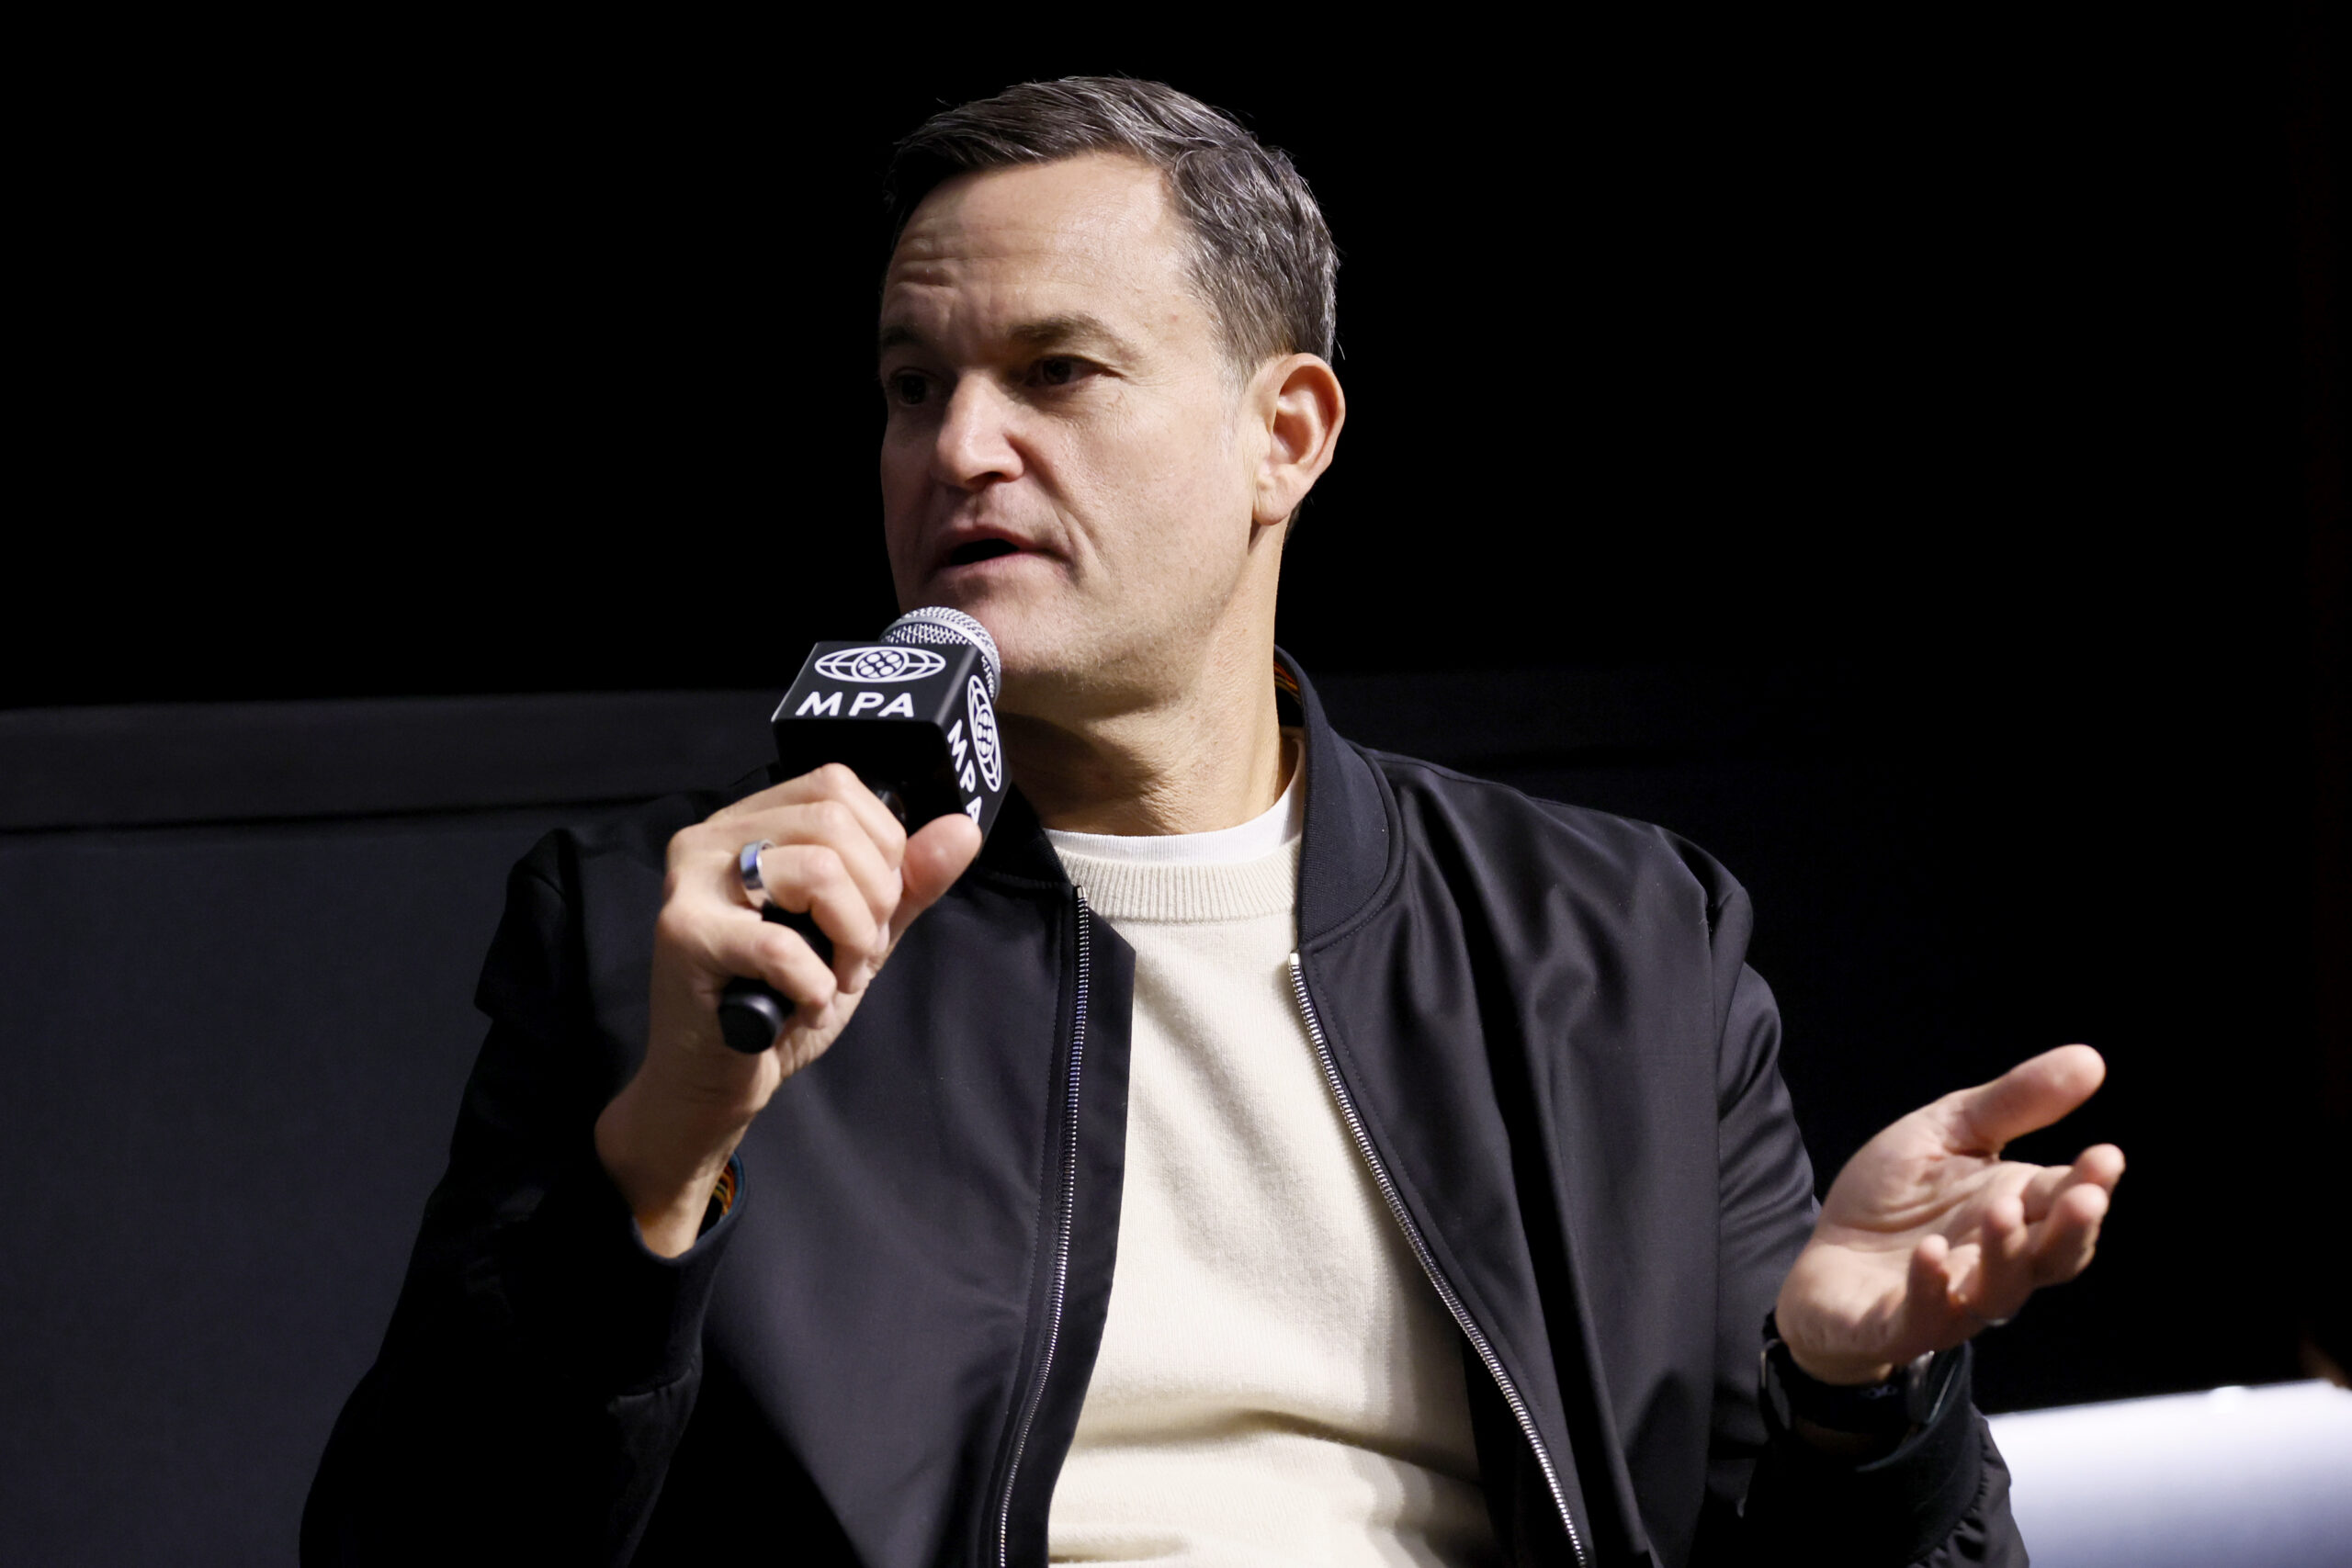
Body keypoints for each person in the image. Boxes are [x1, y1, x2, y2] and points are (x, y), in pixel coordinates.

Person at [304, 79, 2124, 1567]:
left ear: (1288, 435)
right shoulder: (670, 926)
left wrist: (1856, 1395)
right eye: (912, 387)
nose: (957, 448)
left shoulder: (1622, 942)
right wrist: (659, 1160)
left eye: (1056, 372)